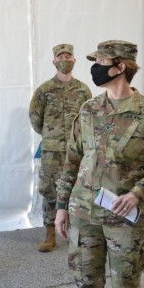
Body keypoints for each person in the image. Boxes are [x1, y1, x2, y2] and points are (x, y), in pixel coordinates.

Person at [55, 40, 144, 288]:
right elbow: (71, 160)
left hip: (125, 218)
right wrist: (60, 207)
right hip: (85, 215)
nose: (95, 69)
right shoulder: (88, 110)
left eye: (101, 63)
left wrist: (138, 193)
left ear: (120, 67)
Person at [29, 43, 91, 252]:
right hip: (52, 151)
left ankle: (76, 232)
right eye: (60, 56)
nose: (64, 59)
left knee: (78, 190)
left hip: (77, 151)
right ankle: (49, 234)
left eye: (68, 56)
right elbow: (35, 119)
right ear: (54, 61)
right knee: (49, 191)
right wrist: (52, 136)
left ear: (75, 60)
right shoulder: (44, 90)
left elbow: (89, 119)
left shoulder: (83, 90)